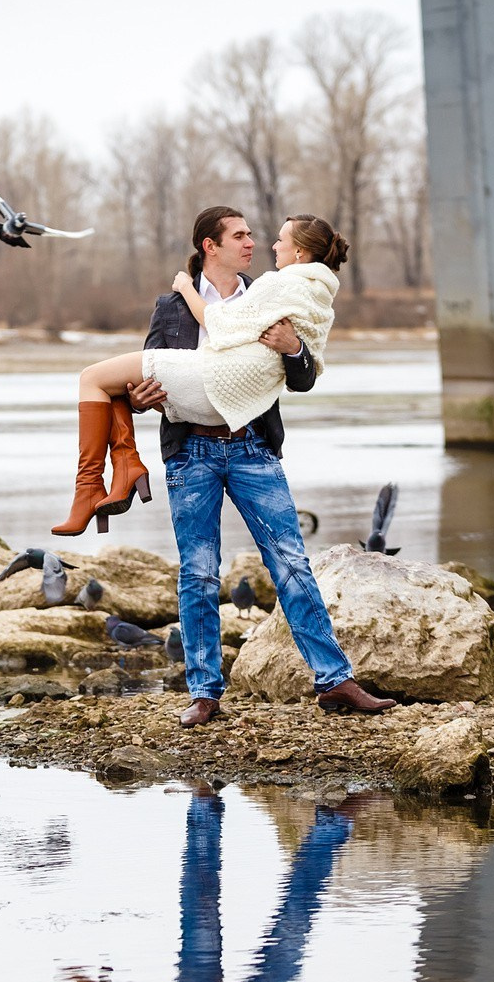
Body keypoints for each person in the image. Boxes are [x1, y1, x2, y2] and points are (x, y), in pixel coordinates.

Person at [59, 207, 394, 722]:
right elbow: (141, 386)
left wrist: (295, 348)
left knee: (291, 563)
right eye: (239, 235)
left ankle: (335, 681)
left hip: (253, 448)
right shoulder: (171, 308)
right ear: (209, 245)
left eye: (256, 235)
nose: (251, 243)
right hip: (191, 452)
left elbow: (302, 378)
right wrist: (144, 399)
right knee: (198, 573)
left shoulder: (273, 291)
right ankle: (204, 693)